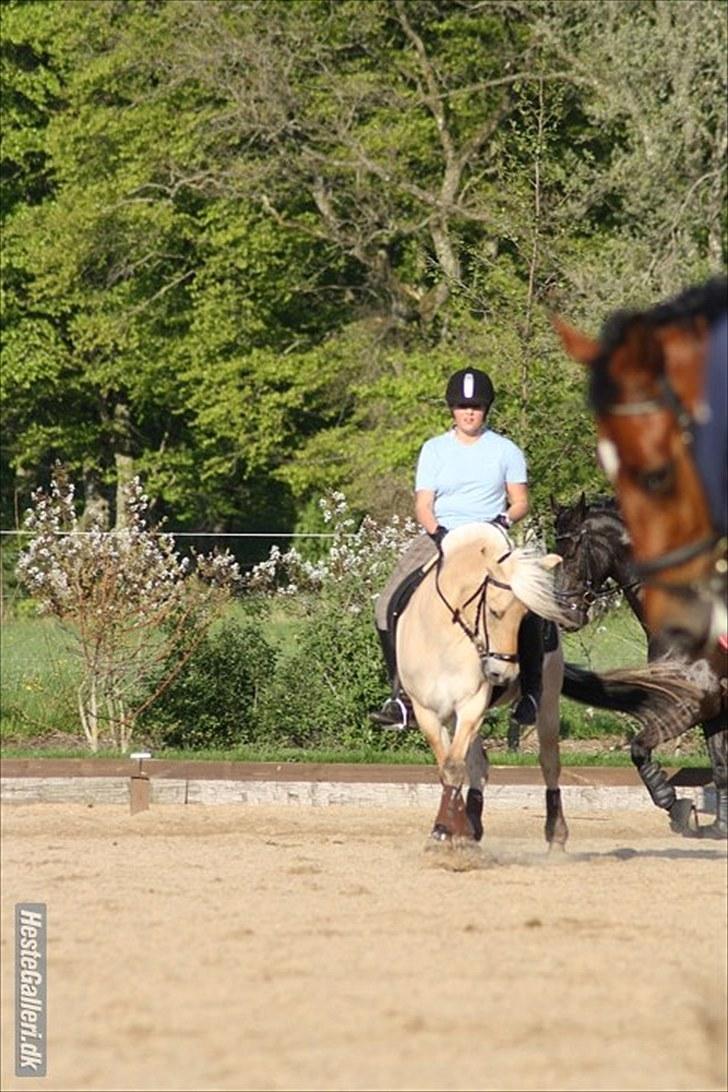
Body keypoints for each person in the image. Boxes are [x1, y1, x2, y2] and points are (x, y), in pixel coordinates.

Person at [370, 367, 544, 729]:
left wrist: (503, 521)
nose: (469, 413)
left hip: (489, 538)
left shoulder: (506, 450)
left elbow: (520, 502)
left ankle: (530, 692)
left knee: (527, 602)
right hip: (442, 534)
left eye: (476, 407)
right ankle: (401, 696)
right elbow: (423, 505)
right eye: (463, 406)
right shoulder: (434, 449)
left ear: (486, 409)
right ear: (452, 409)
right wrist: (436, 532)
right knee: (386, 604)